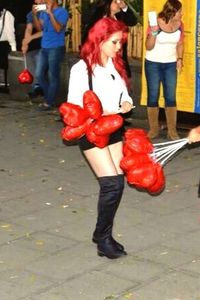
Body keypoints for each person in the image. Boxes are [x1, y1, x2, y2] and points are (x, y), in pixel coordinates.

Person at [66, 17, 134, 259]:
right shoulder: (82, 69)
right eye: (115, 42)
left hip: (114, 127)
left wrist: (126, 102)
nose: (119, 47)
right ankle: (102, 238)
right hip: (92, 129)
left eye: (121, 43)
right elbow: (75, 105)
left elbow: (124, 93)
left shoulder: (113, 65)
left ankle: (103, 233)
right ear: (100, 40)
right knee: (112, 184)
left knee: (118, 182)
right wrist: (104, 110)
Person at [144, 0, 184, 140]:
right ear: (172, 12)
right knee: (153, 95)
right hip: (153, 63)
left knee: (171, 97)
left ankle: (172, 131)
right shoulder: (156, 23)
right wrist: (154, 33)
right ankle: (154, 129)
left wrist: (180, 59)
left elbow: (180, 44)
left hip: (170, 64)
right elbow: (148, 47)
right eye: (180, 11)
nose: (182, 14)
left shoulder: (180, 25)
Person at [81, 0, 138, 78]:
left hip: (118, 58)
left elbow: (133, 21)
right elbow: (87, 33)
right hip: (100, 59)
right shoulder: (98, 18)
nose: (118, 3)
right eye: (115, 2)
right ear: (107, 4)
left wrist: (124, 7)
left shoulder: (119, 16)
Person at [32, 0, 69, 111]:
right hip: (44, 47)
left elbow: (58, 29)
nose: (45, 1)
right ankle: (50, 99)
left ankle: (49, 102)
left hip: (56, 47)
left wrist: (51, 14)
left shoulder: (62, 12)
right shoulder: (43, 12)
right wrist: (35, 15)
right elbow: (39, 28)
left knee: (53, 75)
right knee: (39, 74)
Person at [21, 0, 44, 99]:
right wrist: (25, 42)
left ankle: (40, 85)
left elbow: (44, 30)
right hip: (37, 42)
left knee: (39, 56)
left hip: (49, 42)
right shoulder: (31, 13)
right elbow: (29, 29)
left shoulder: (50, 11)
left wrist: (29, 38)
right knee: (29, 56)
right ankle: (36, 86)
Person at [0, 2, 16, 92]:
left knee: (5, 66)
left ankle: (6, 85)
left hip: (4, 44)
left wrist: (13, 48)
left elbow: (10, 32)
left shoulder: (7, 15)